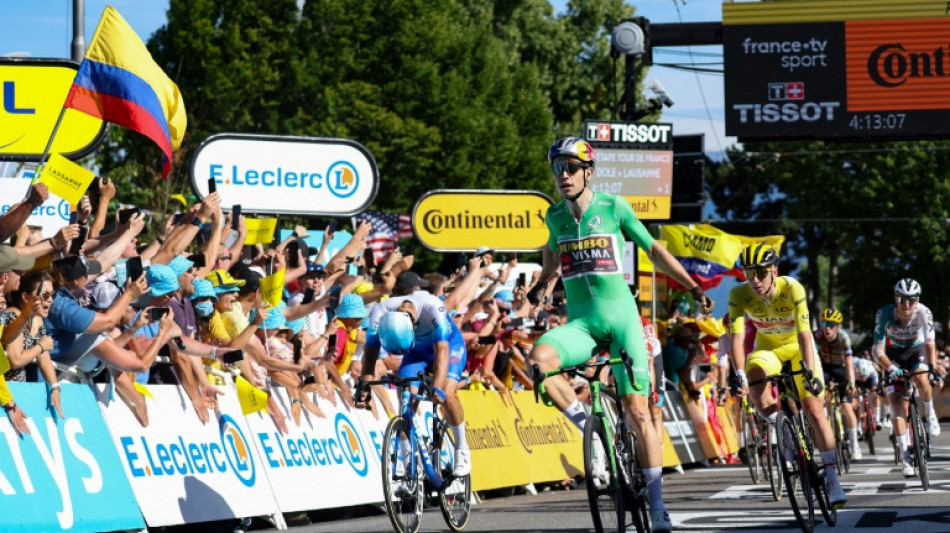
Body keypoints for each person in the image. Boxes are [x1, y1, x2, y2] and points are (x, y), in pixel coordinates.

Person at [525, 136, 711, 532]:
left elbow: (654, 251)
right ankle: (589, 433)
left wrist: (692, 286)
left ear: (588, 171)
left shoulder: (614, 206)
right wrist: (542, 286)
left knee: (638, 408)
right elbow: (552, 257)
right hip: (582, 324)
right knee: (538, 362)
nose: (563, 175)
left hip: (623, 319)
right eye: (557, 168)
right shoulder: (555, 216)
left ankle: (658, 506)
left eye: (571, 168)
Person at [728, 243, 847, 507]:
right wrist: (738, 373)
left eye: (760, 272)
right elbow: (736, 338)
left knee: (814, 410)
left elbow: (805, 334)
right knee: (753, 374)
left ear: (774, 270)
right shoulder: (739, 294)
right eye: (749, 273)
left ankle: (832, 479)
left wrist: (809, 371)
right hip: (769, 348)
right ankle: (779, 430)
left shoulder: (792, 288)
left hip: (797, 348)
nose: (755, 280)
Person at [358, 277, 472, 477]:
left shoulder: (432, 308)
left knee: (447, 391)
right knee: (405, 396)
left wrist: (436, 386)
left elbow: (442, 352)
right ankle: (409, 461)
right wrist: (364, 386)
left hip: (448, 346)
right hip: (417, 352)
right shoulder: (380, 311)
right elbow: (370, 352)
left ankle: (462, 448)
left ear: (414, 326)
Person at [871, 278, 943, 477]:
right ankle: (905, 457)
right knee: (895, 402)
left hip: (915, 350)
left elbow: (930, 343)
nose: (906, 304)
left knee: (921, 378)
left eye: (911, 299)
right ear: (896, 297)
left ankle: (930, 415)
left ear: (917, 300)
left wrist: (933, 367)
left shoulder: (924, 312)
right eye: (902, 298)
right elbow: (877, 349)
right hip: (892, 355)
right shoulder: (883, 314)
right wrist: (891, 368)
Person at [814, 308, 862, 460]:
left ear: (838, 326)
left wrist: (852, 383)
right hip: (825, 368)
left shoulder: (844, 338)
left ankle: (855, 446)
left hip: (841, 368)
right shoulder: (817, 336)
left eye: (831, 324)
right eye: (824, 323)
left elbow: (849, 363)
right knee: (820, 399)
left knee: (847, 407)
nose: (827, 327)